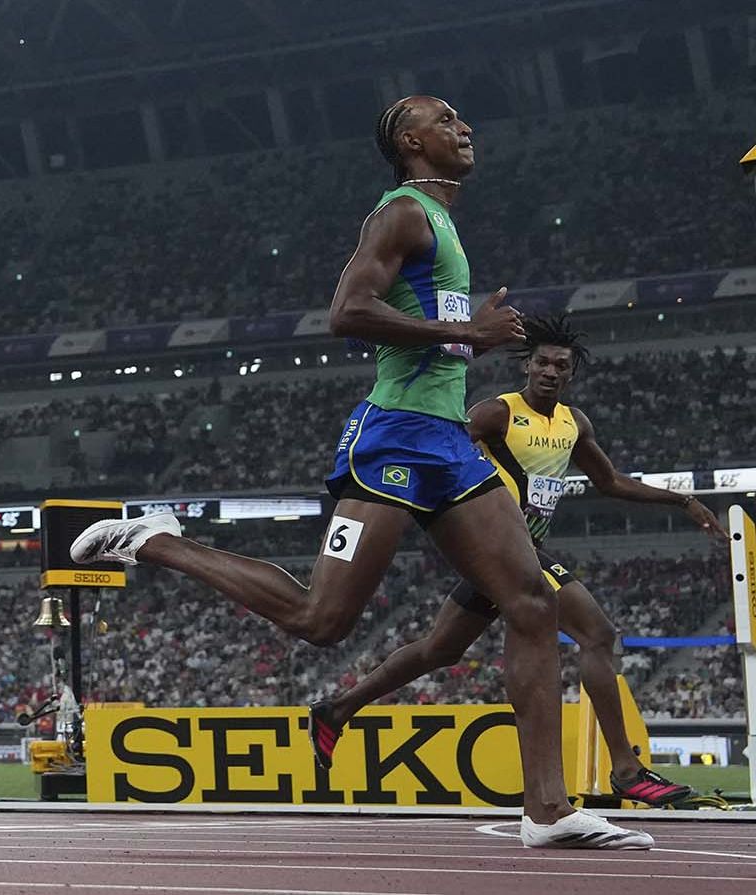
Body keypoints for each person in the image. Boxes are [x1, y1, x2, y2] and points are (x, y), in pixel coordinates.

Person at [71, 97, 650, 849]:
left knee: (533, 604)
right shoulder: (403, 213)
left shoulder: (443, 223)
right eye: (444, 119)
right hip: (394, 439)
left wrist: (466, 328)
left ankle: (545, 809)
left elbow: (427, 329)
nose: (464, 126)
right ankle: (159, 542)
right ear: (411, 142)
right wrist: (465, 329)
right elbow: (347, 311)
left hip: (447, 441)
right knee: (322, 621)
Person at [308, 315, 727, 805]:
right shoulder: (495, 413)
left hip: (518, 560)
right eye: (543, 362)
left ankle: (336, 709)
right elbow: (439, 453)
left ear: (571, 374)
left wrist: (680, 501)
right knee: (598, 634)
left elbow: (610, 482)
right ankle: (627, 769)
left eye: (561, 366)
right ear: (527, 365)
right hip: (503, 551)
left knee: (440, 650)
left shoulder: (575, 424)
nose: (550, 371)